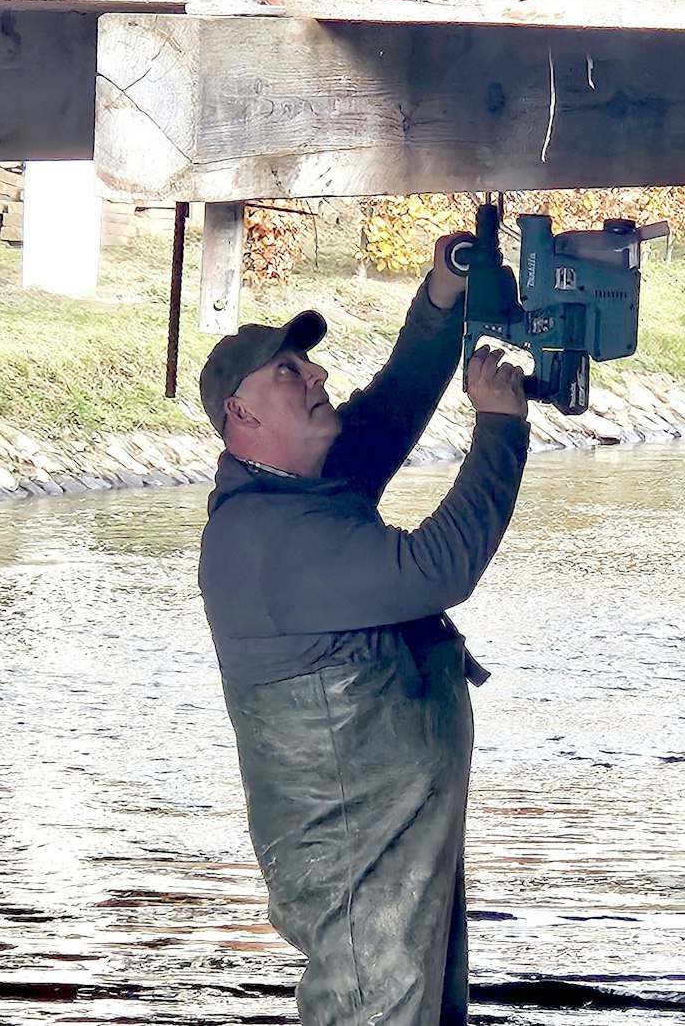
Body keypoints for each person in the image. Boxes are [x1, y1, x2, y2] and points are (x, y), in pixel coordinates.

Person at [196, 234, 530, 1026]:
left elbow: (392, 406)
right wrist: (501, 427)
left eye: (307, 363)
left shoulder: (302, 488)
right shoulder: (269, 542)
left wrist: (442, 294)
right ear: (242, 414)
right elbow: (440, 566)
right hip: (358, 858)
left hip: (395, 841)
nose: (315, 372)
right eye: (289, 369)